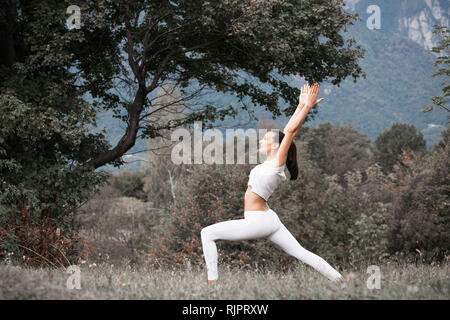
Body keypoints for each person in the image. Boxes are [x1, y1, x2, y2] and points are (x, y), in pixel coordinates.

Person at [200, 83, 344, 284]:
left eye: (265, 139)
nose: (261, 141)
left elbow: (291, 131)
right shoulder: (269, 163)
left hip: (258, 220)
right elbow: (287, 130)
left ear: (276, 145)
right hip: (268, 219)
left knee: (207, 233)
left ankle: (212, 286)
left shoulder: (277, 164)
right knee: (301, 253)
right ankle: (341, 281)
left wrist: (307, 108)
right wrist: (300, 105)